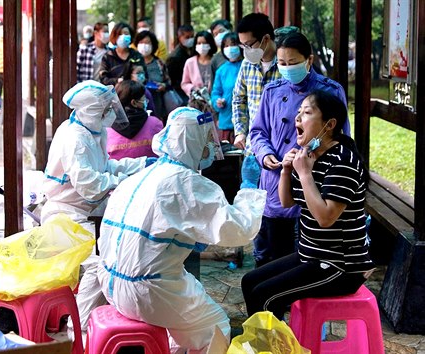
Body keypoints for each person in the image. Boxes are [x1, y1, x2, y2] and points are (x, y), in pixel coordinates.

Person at [98, 107, 267, 354]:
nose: (211, 147)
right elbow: (239, 229)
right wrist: (249, 187)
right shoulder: (188, 183)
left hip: (111, 282)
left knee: (192, 290)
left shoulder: (142, 175)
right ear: (194, 142)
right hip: (147, 292)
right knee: (216, 326)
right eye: (207, 140)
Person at [242, 90, 373, 319]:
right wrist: (286, 170)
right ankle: (274, 343)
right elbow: (287, 201)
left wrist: (304, 175)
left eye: (307, 113)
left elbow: (325, 218)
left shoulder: (343, 162)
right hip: (311, 254)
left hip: (340, 265)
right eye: (299, 112)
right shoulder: (311, 154)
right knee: (249, 281)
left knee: (263, 295)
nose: (298, 118)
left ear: (329, 124)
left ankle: (269, 349)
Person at [42, 80, 153, 341]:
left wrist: (140, 165)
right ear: (91, 111)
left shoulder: (94, 131)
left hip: (85, 211)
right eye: (105, 110)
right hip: (64, 214)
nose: (111, 113)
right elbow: (91, 185)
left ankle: (94, 324)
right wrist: (126, 180)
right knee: (96, 267)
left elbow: (106, 168)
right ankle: (78, 334)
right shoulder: (75, 138)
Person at [249, 32, 349, 267]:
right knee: (275, 257)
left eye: (293, 63)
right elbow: (258, 132)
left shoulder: (330, 91)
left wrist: (309, 151)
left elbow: (340, 135)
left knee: (307, 256)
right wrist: (266, 155)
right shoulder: (272, 91)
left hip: (314, 181)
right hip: (276, 180)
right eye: (282, 63)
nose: (286, 68)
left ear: (309, 60)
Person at [231, 13, 281, 153]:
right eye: (243, 46)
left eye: (249, 45)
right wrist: (240, 131)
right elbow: (238, 99)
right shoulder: (247, 64)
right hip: (253, 147)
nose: (246, 50)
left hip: (279, 148)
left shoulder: (285, 64)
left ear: (265, 39)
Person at [106, 80, 163, 160]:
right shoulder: (155, 124)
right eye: (144, 99)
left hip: (117, 172)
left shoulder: (106, 128)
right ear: (134, 103)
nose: (146, 102)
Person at [211, 32, 243, 143]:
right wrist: (217, 102)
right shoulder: (221, 70)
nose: (230, 48)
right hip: (226, 121)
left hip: (245, 122)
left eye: (233, 44)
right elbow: (215, 93)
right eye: (226, 46)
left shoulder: (247, 66)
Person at [135, 30, 172, 120]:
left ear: (153, 45)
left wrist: (164, 85)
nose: (144, 45)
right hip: (138, 103)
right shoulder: (133, 62)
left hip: (157, 102)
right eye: (141, 42)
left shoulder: (159, 63)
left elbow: (168, 81)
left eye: (147, 43)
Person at [181, 31, 217, 97]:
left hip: (215, 100)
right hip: (197, 101)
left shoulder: (216, 61)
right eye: (199, 43)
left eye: (205, 43)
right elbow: (185, 83)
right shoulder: (190, 62)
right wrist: (194, 88)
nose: (202, 46)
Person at [166, 24, 195, 105]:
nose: (190, 39)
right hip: (180, 92)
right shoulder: (175, 57)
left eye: (192, 36)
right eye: (187, 37)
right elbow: (172, 79)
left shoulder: (194, 51)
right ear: (180, 38)